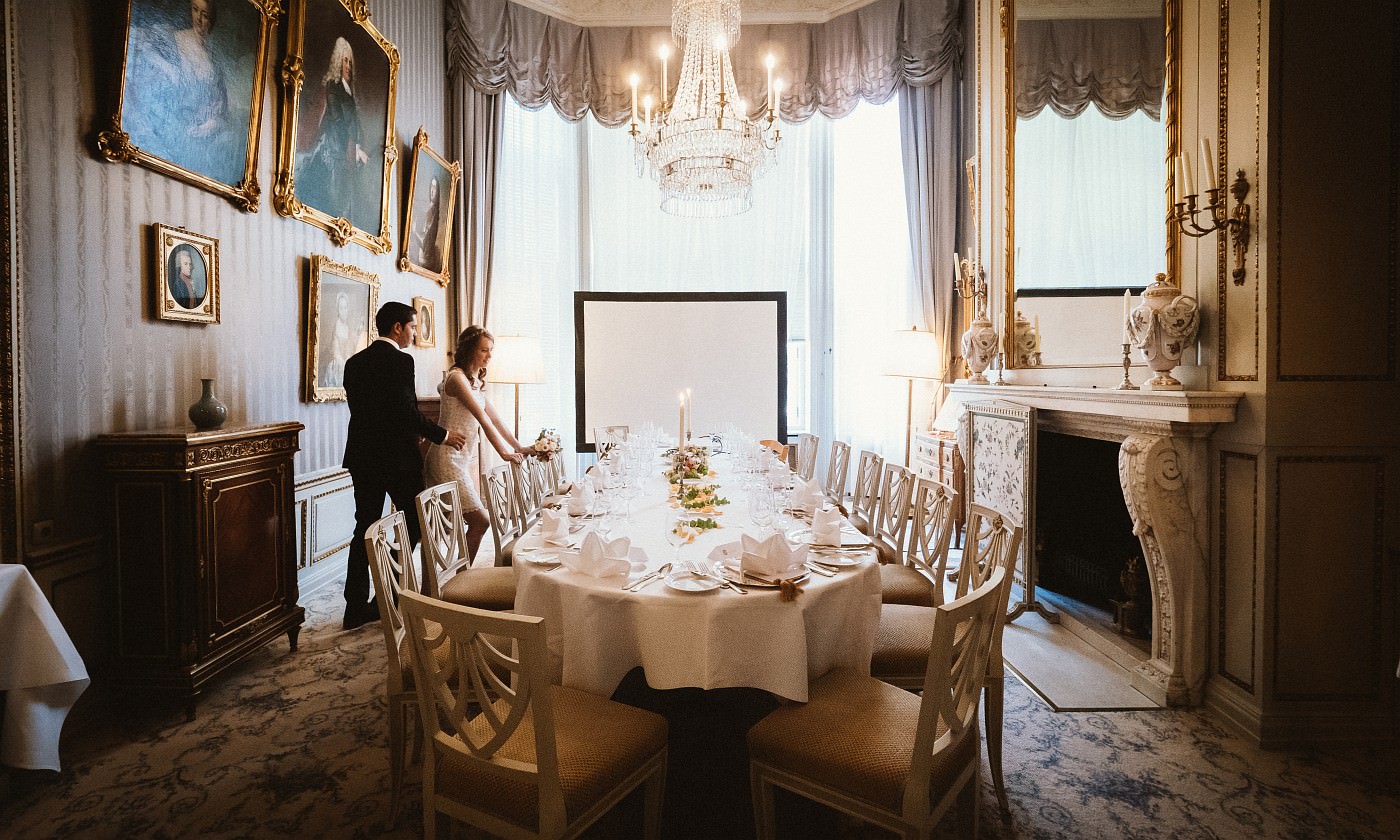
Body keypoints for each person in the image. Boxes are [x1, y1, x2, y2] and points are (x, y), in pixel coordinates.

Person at [341, 301, 467, 630]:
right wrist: (442, 434)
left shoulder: (353, 363)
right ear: (397, 328)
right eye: (412, 327)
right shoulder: (401, 361)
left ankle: (355, 609)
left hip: (363, 456)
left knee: (363, 529)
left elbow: (371, 413)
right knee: (413, 523)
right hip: (396, 459)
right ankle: (392, 596)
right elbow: (403, 412)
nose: (414, 333)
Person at [424, 326, 537, 563]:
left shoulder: (473, 380)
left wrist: (518, 447)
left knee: (464, 522)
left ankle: (455, 575)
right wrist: (504, 453)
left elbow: (496, 419)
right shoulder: (456, 378)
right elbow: (482, 419)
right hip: (446, 458)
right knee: (481, 520)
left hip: (460, 459)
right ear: (468, 350)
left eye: (490, 350)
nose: (489, 356)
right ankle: (458, 576)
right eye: (484, 350)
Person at [127, 0, 238, 184]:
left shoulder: (214, 62)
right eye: (195, 10)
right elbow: (139, 49)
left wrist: (210, 124)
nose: (199, 19)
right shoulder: (174, 39)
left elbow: (221, 111)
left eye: (206, 15)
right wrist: (169, 69)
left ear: (212, 20)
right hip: (167, 127)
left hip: (196, 138)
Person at [299, 36, 371, 228]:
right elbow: (339, 121)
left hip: (344, 150)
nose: (348, 65)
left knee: (343, 203)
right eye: (344, 60)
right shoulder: (334, 88)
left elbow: (352, 123)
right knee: (332, 203)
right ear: (337, 61)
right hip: (334, 149)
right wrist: (355, 150)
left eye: (350, 61)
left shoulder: (348, 91)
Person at [321, 291, 362, 388]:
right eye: (341, 308)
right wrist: (346, 366)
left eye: (345, 307)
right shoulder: (336, 327)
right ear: (338, 310)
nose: (344, 311)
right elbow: (336, 353)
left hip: (347, 364)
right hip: (338, 367)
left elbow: (352, 347)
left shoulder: (347, 327)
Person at [413, 176, 443, 272]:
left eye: (434, 188)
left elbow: (424, 242)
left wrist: (413, 232)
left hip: (425, 261)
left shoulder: (433, 212)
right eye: (431, 187)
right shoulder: (429, 210)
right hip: (421, 259)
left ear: (437, 191)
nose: (432, 191)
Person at [167, 245, 206, 310]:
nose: (189, 267)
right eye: (185, 264)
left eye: (190, 264)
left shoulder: (190, 282)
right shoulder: (178, 284)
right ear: (180, 265)